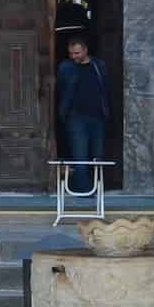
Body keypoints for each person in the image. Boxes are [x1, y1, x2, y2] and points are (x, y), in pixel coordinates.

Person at [56, 35, 112, 195]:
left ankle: (95, 188)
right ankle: (85, 192)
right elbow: (61, 89)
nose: (74, 57)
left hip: (97, 117)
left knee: (97, 156)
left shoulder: (99, 65)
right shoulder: (66, 67)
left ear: (85, 50)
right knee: (80, 156)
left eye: (77, 53)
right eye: (71, 53)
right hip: (76, 118)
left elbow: (106, 90)